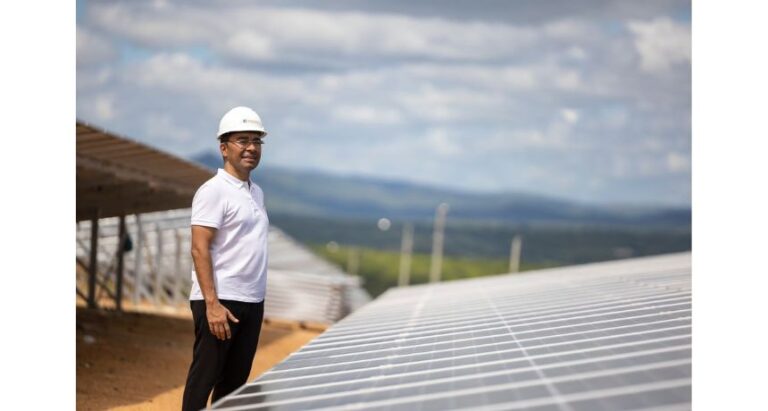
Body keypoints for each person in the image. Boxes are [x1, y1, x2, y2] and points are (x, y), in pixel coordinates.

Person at [182, 106, 270, 411]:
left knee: (234, 386)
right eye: (242, 140)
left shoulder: (255, 192)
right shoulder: (213, 191)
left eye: (256, 141)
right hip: (221, 301)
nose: (251, 148)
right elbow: (199, 248)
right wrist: (212, 304)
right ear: (224, 148)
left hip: (251, 302)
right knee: (204, 379)